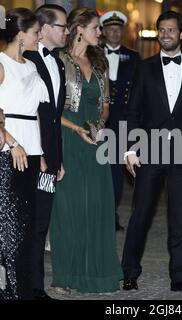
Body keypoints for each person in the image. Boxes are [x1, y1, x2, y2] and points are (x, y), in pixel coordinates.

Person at [122, 11, 182, 294]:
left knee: (180, 219)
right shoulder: (144, 68)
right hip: (149, 150)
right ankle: (129, 272)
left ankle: (180, 278)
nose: (166, 34)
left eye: (171, 30)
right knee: (140, 214)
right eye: (162, 30)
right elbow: (133, 111)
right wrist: (129, 149)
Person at [49, 7, 122, 294]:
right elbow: (51, 108)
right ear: (79, 28)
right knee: (68, 211)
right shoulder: (58, 61)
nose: (99, 32)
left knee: (97, 208)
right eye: (95, 27)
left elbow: (105, 103)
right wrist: (77, 128)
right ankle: (65, 276)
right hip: (67, 138)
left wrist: (99, 124)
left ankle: (97, 275)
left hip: (94, 141)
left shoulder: (100, 62)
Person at [0, 8, 49, 299]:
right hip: (8, 151)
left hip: (30, 151)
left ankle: (24, 290)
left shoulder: (30, 66)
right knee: (10, 226)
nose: (39, 36)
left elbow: (35, 113)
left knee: (28, 226)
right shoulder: (1, 63)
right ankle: (11, 291)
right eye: (35, 32)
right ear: (21, 35)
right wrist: (12, 142)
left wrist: (39, 151)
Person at [23, 4, 69, 300]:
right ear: (46, 28)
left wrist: (56, 158)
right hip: (27, 154)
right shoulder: (24, 60)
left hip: (49, 157)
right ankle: (22, 285)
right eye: (63, 26)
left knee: (41, 221)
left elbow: (54, 116)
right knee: (24, 221)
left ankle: (35, 287)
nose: (67, 31)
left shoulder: (58, 63)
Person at [100, 10, 140, 232]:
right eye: (110, 29)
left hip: (122, 120)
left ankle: (111, 214)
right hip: (99, 119)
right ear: (104, 31)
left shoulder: (133, 57)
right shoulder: (92, 53)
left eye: (118, 29)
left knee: (116, 169)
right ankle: (96, 212)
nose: (114, 33)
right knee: (97, 167)